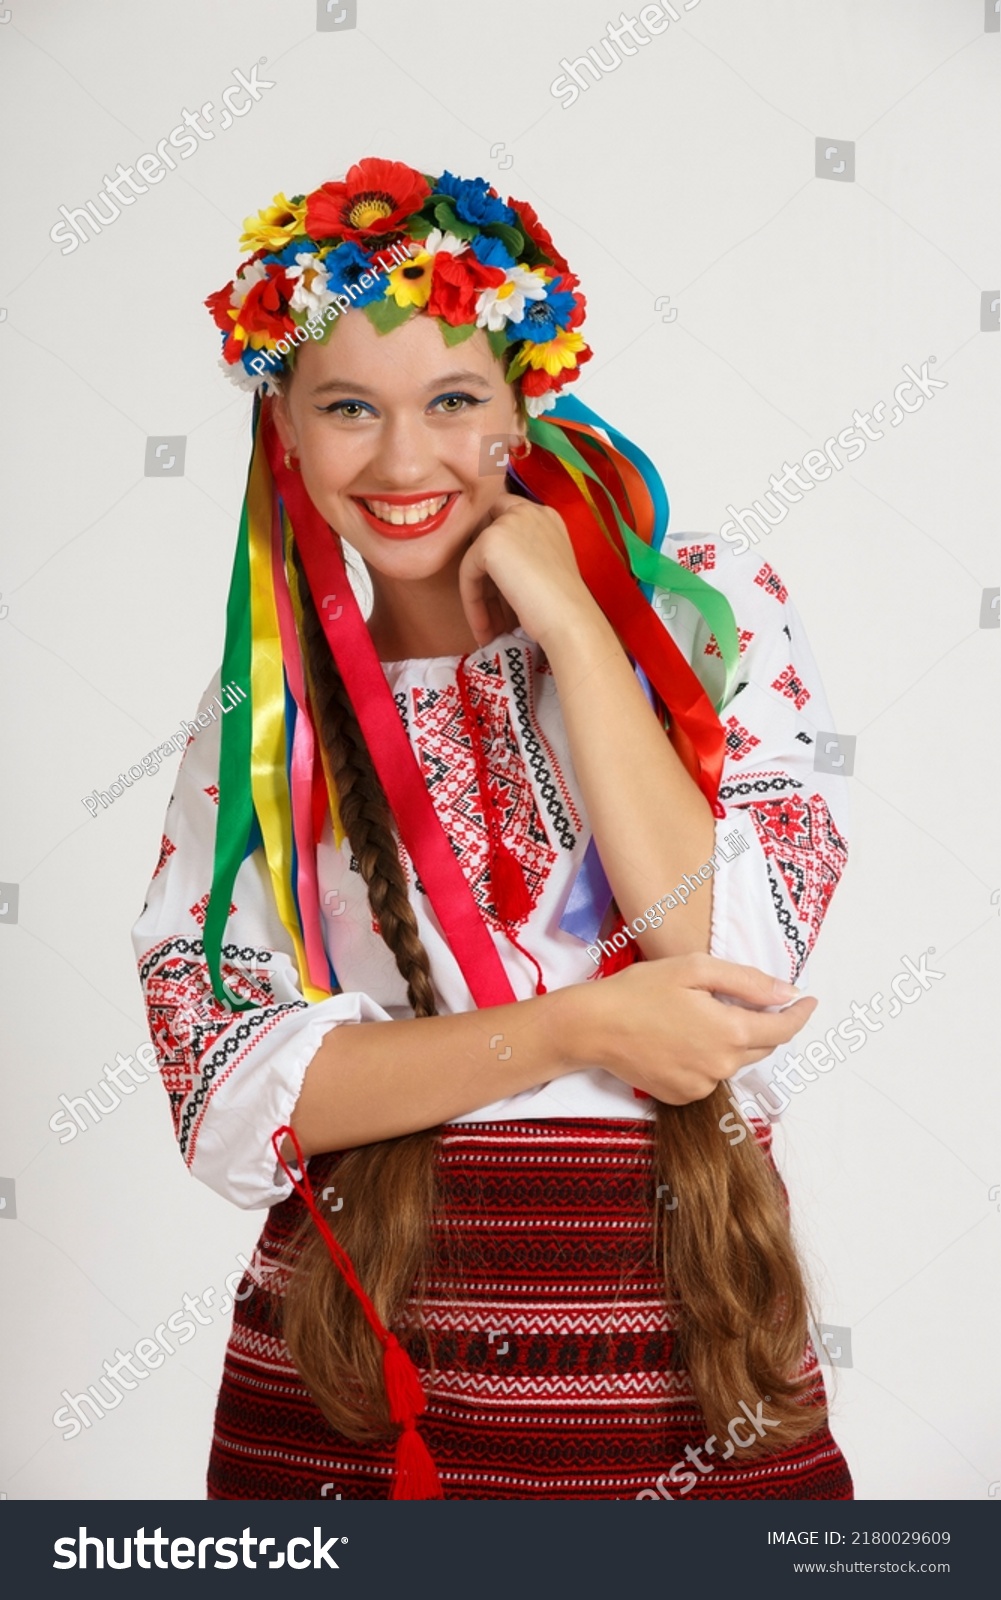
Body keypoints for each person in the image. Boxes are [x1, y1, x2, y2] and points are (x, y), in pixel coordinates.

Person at [132, 157, 853, 1500]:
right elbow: (225, 1094)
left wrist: (576, 631)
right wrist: (574, 1030)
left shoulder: (703, 621)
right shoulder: (260, 723)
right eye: (347, 406)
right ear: (279, 427)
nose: (404, 461)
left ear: (527, 402)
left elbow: (721, 960)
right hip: (350, 1385)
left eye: (453, 400)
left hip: (688, 1360)